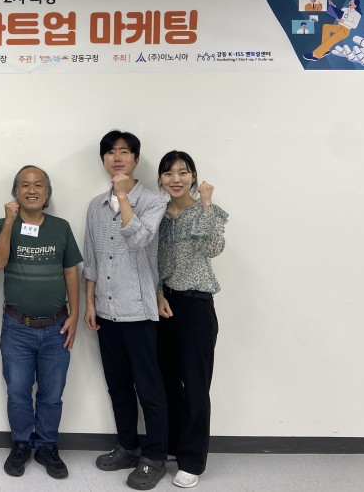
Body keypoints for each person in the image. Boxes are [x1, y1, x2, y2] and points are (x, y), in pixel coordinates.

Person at [83, 130, 168, 491]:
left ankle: (155, 456)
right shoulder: (95, 206)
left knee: (149, 389)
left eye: (124, 152)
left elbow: (140, 238)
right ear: (104, 159)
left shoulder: (153, 201)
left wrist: (122, 196)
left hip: (139, 310)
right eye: (111, 153)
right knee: (117, 386)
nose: (117, 158)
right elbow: (91, 257)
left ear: (136, 159)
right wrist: (90, 302)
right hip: (106, 310)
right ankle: (127, 447)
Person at [0, 165, 82, 479]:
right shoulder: (3, 224)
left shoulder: (60, 227)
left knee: (51, 393)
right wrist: (9, 222)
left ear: (47, 191)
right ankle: (21, 443)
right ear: (16, 192)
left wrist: (74, 315)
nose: (32, 190)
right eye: (25, 185)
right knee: (17, 391)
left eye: (38, 185)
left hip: (57, 327)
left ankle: (46, 445)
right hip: (17, 328)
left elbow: (71, 271)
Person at [155, 151, 228, 489]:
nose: (176, 179)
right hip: (164, 305)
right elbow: (153, 260)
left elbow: (214, 248)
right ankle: (173, 445)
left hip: (196, 305)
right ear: (160, 179)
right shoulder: (158, 216)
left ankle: (192, 461)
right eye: (169, 173)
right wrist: (159, 294)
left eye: (183, 172)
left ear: (194, 177)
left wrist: (207, 204)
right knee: (167, 381)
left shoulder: (205, 211)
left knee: (196, 384)